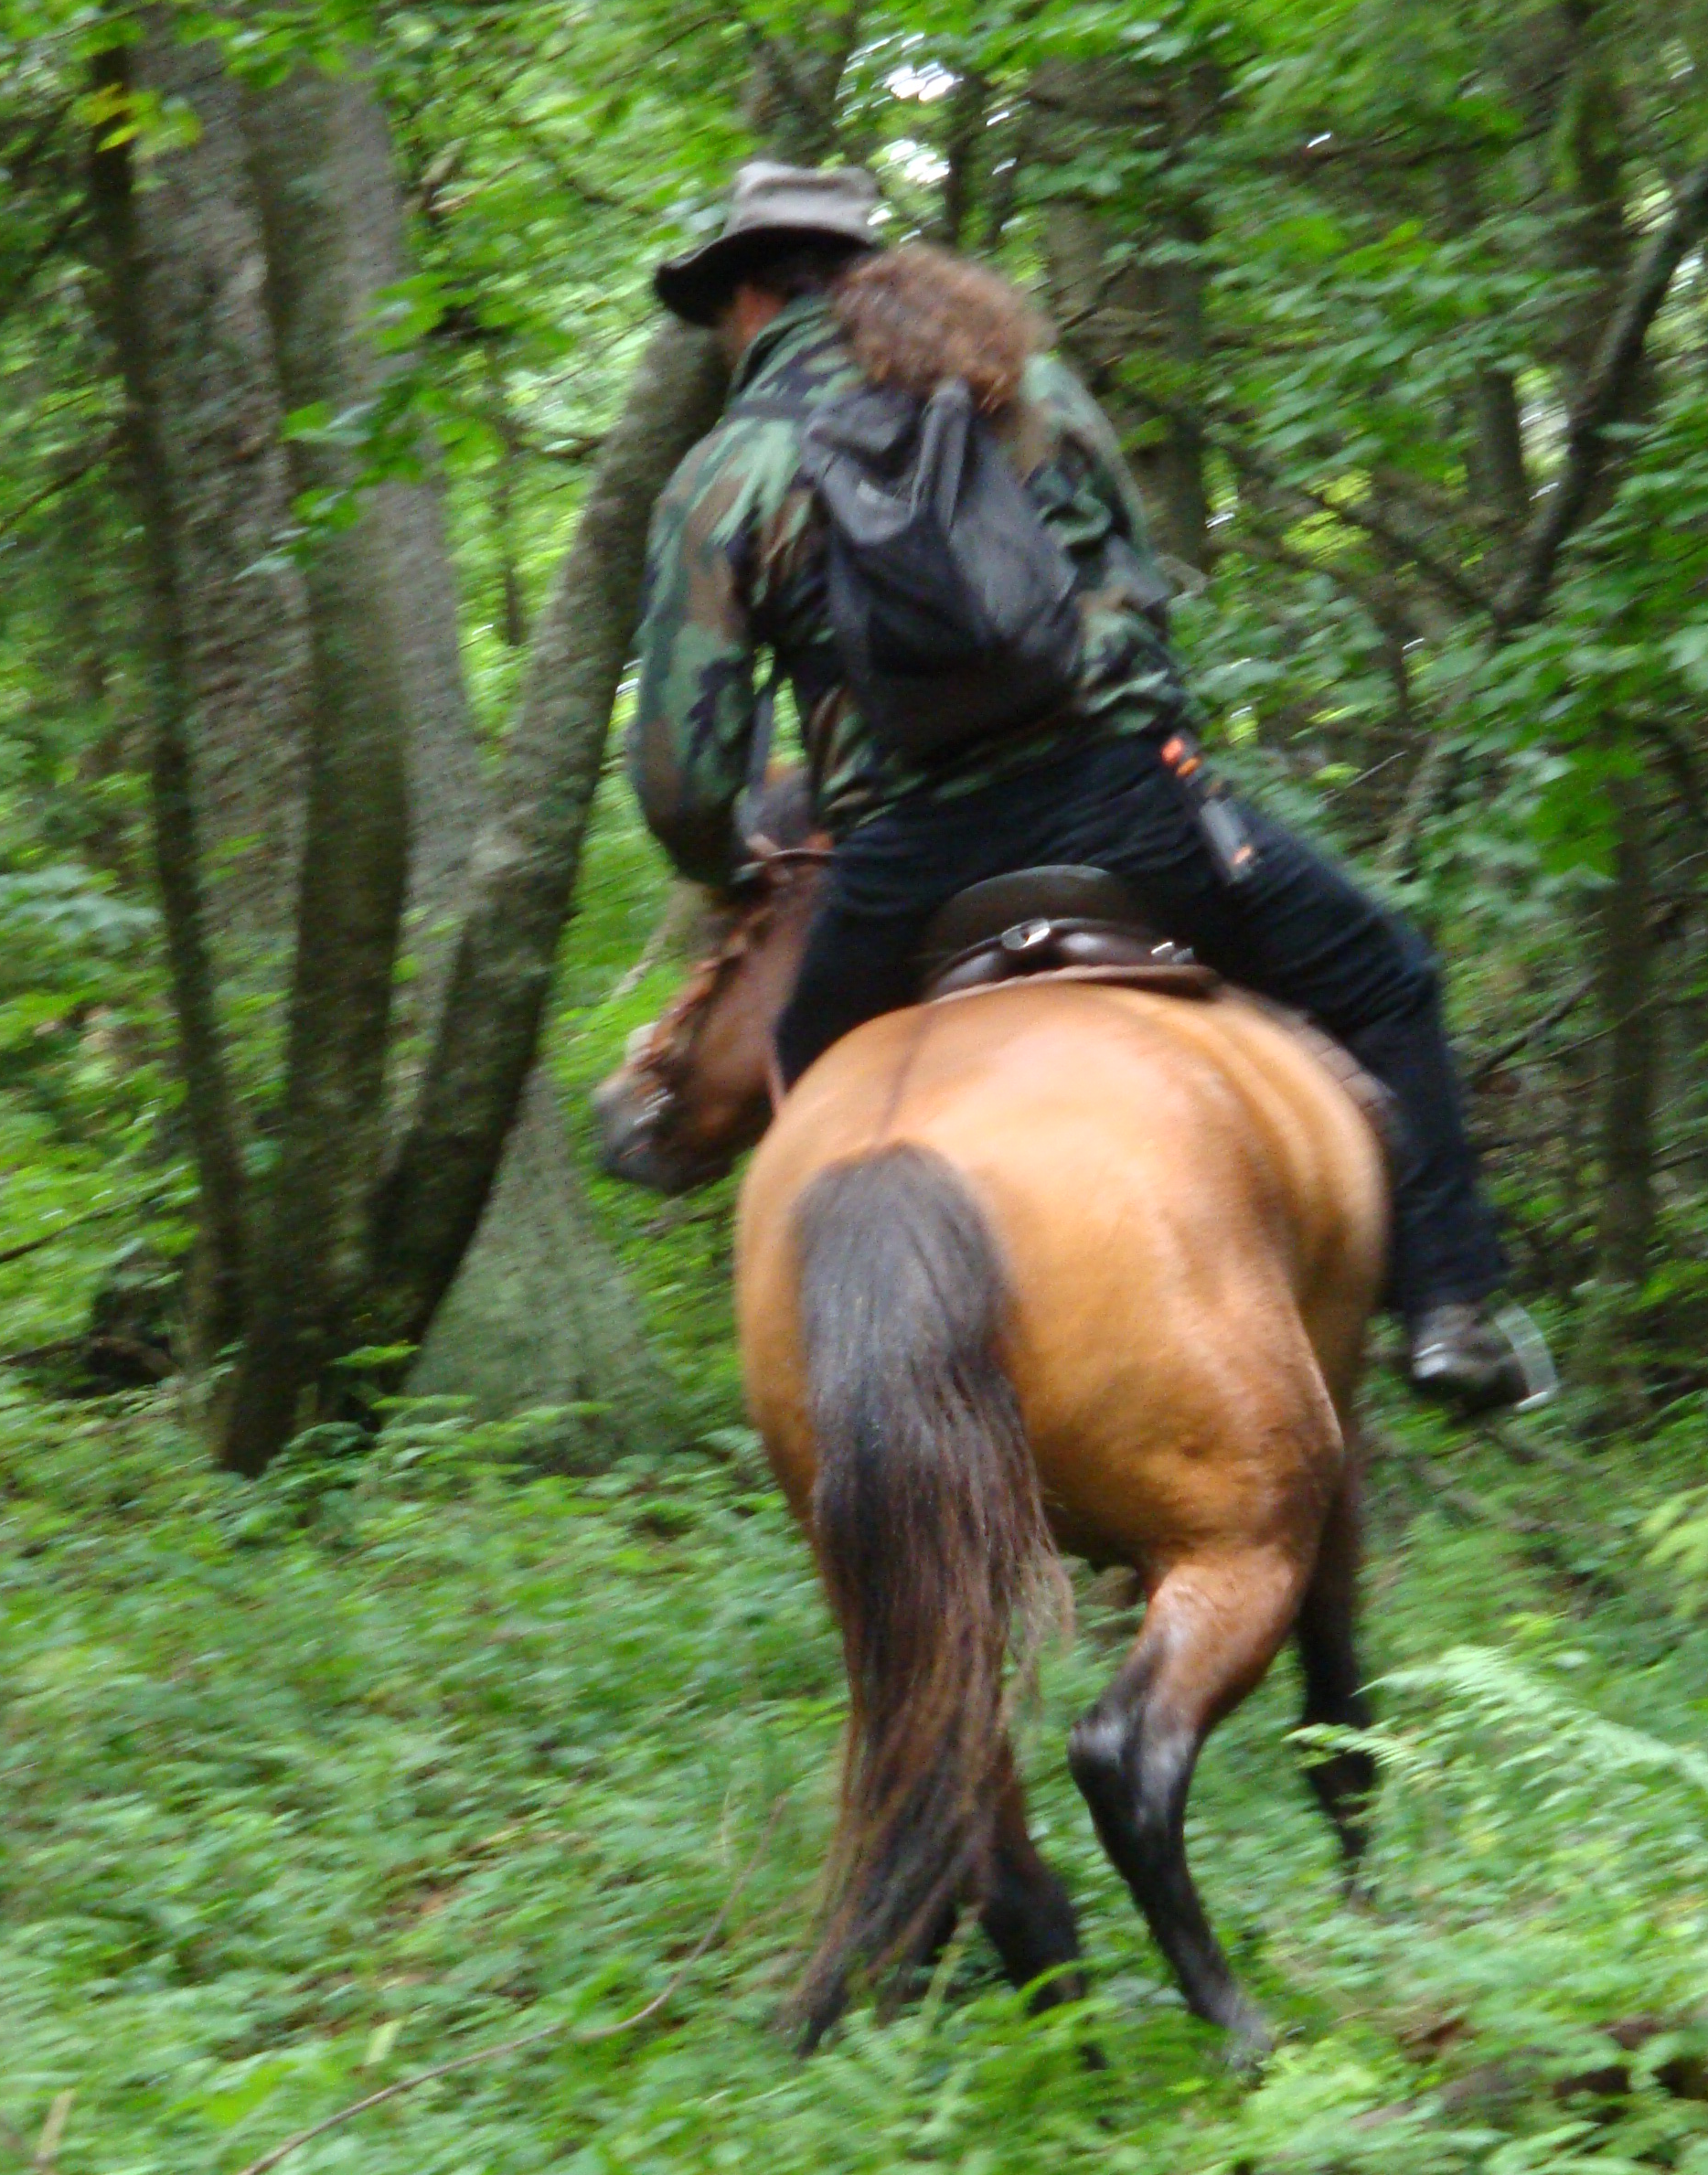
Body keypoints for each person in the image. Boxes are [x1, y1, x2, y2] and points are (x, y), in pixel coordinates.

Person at [625, 155, 1548, 1413]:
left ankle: (827, 1400)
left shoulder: (725, 472)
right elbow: (1136, 597)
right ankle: (1450, 1310)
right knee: (1385, 975)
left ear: (746, 300)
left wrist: (730, 864)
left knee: (812, 1093)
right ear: (865, 274)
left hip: (903, 858)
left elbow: (684, 770)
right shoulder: (1024, 380)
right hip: (1131, 809)